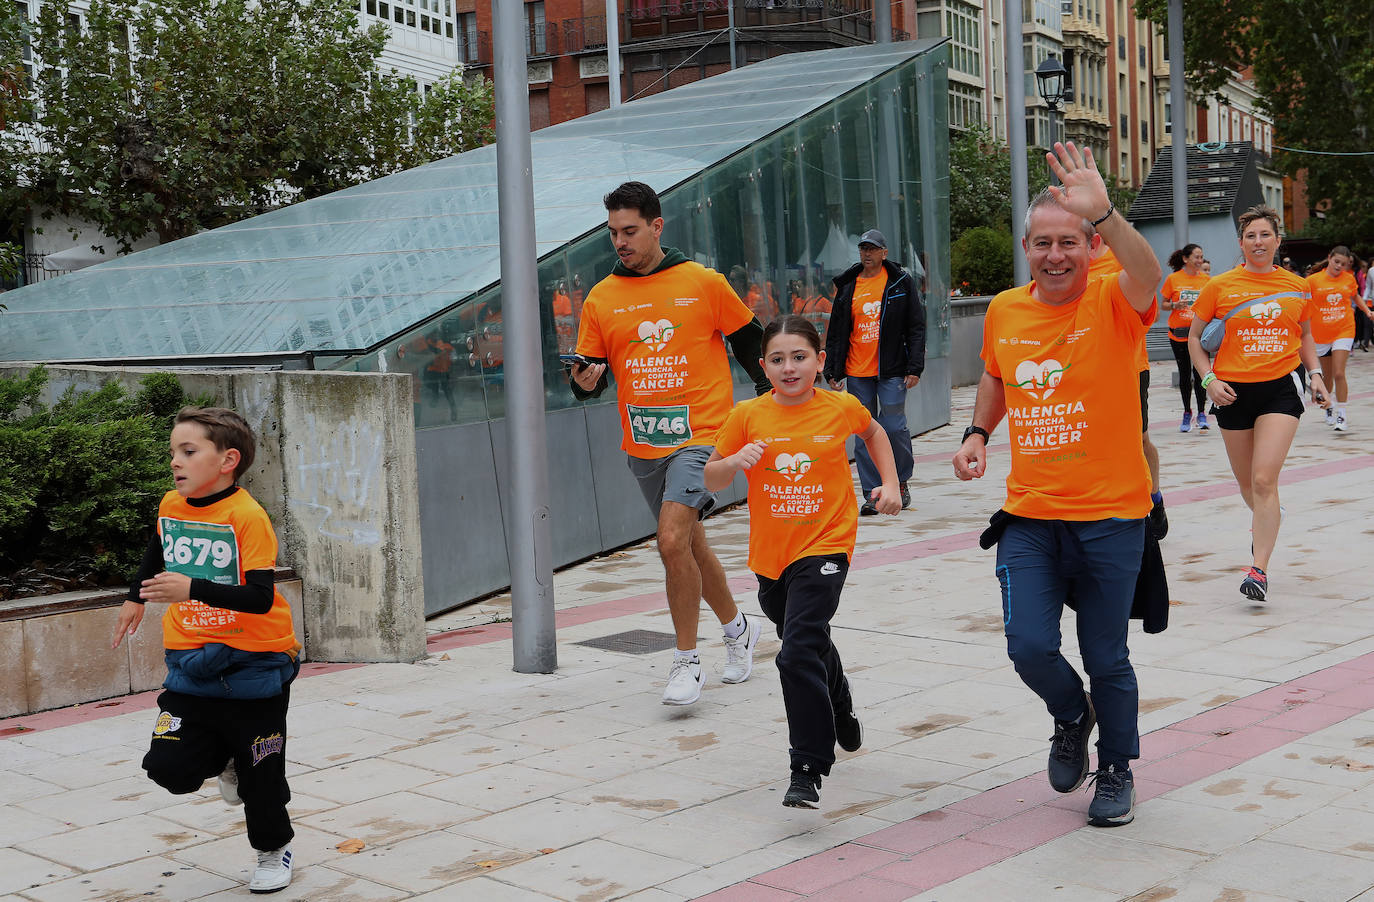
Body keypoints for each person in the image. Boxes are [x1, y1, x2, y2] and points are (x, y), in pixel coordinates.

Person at [952, 142, 1163, 828]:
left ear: (1088, 245)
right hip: (1032, 516)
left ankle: (1117, 771)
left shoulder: (1112, 298)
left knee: (1108, 655)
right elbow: (994, 374)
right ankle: (1071, 715)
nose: (1056, 255)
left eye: (1070, 241)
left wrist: (1106, 214)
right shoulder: (1007, 311)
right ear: (1026, 247)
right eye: (1043, 243)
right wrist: (977, 433)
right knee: (1029, 646)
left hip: (1112, 517)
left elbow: (1147, 273)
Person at [570, 181, 771, 706]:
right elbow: (587, 371)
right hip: (643, 440)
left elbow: (752, 342)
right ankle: (737, 629)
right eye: (613, 232)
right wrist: (586, 381)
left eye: (630, 230)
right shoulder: (601, 297)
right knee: (689, 544)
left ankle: (685, 662)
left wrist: (773, 402)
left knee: (669, 540)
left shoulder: (702, 282)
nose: (620, 241)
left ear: (657, 226)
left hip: (703, 433)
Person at [704, 315, 901, 808]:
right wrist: (734, 463)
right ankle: (840, 701)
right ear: (762, 366)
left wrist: (891, 484)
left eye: (799, 357)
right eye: (777, 359)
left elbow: (875, 433)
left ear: (819, 361)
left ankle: (807, 767)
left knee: (794, 653)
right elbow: (710, 477)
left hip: (827, 544)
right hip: (772, 558)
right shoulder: (747, 415)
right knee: (806, 639)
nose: (789, 367)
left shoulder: (841, 407)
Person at [111, 407, 300, 895]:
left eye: (188, 451)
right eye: (174, 451)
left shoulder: (246, 516)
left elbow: (260, 598)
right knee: (168, 768)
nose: (175, 461)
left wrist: (192, 588)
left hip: (257, 661)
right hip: (189, 658)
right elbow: (158, 550)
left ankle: (273, 851)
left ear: (227, 460)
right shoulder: (172, 503)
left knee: (263, 773)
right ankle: (227, 762)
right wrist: (136, 597)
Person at [1188, 205, 1330, 603]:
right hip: (1231, 392)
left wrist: (1315, 374)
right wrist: (1209, 380)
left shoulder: (1298, 285)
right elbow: (1194, 339)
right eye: (1250, 236)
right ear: (1241, 243)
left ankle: (1259, 569)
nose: (1258, 242)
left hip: (1280, 389)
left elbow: (1304, 336)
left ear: (1277, 240)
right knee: (1248, 483)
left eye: (1265, 235)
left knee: (1265, 480)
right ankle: (1267, 518)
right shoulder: (1219, 286)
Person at [822, 228, 926, 514]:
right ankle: (872, 492)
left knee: (893, 426)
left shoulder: (900, 282)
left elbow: (916, 327)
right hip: (857, 371)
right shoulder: (847, 286)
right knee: (863, 430)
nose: (867, 254)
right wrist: (832, 368)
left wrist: (915, 365)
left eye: (872, 249)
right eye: (863, 249)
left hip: (892, 369)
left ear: (884, 253)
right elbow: (836, 332)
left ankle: (900, 481)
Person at [1307, 246, 1372, 430]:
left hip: (1343, 329)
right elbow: (1302, 303)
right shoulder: (1313, 281)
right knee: (1327, 377)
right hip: (1320, 333)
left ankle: (1342, 415)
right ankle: (1329, 406)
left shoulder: (1349, 279)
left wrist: (1367, 311)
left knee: (1338, 373)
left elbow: (1356, 297)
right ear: (1329, 258)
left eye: (1343, 264)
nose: (1339, 266)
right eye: (1336, 262)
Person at [1161, 244, 1212, 432]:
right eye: (1196, 257)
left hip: (1199, 334)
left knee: (1201, 374)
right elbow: (1163, 305)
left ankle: (1201, 413)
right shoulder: (1173, 279)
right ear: (1185, 259)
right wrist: (1175, 305)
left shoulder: (1207, 280)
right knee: (1184, 374)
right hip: (1178, 334)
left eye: (1201, 257)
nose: (1200, 261)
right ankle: (1186, 413)